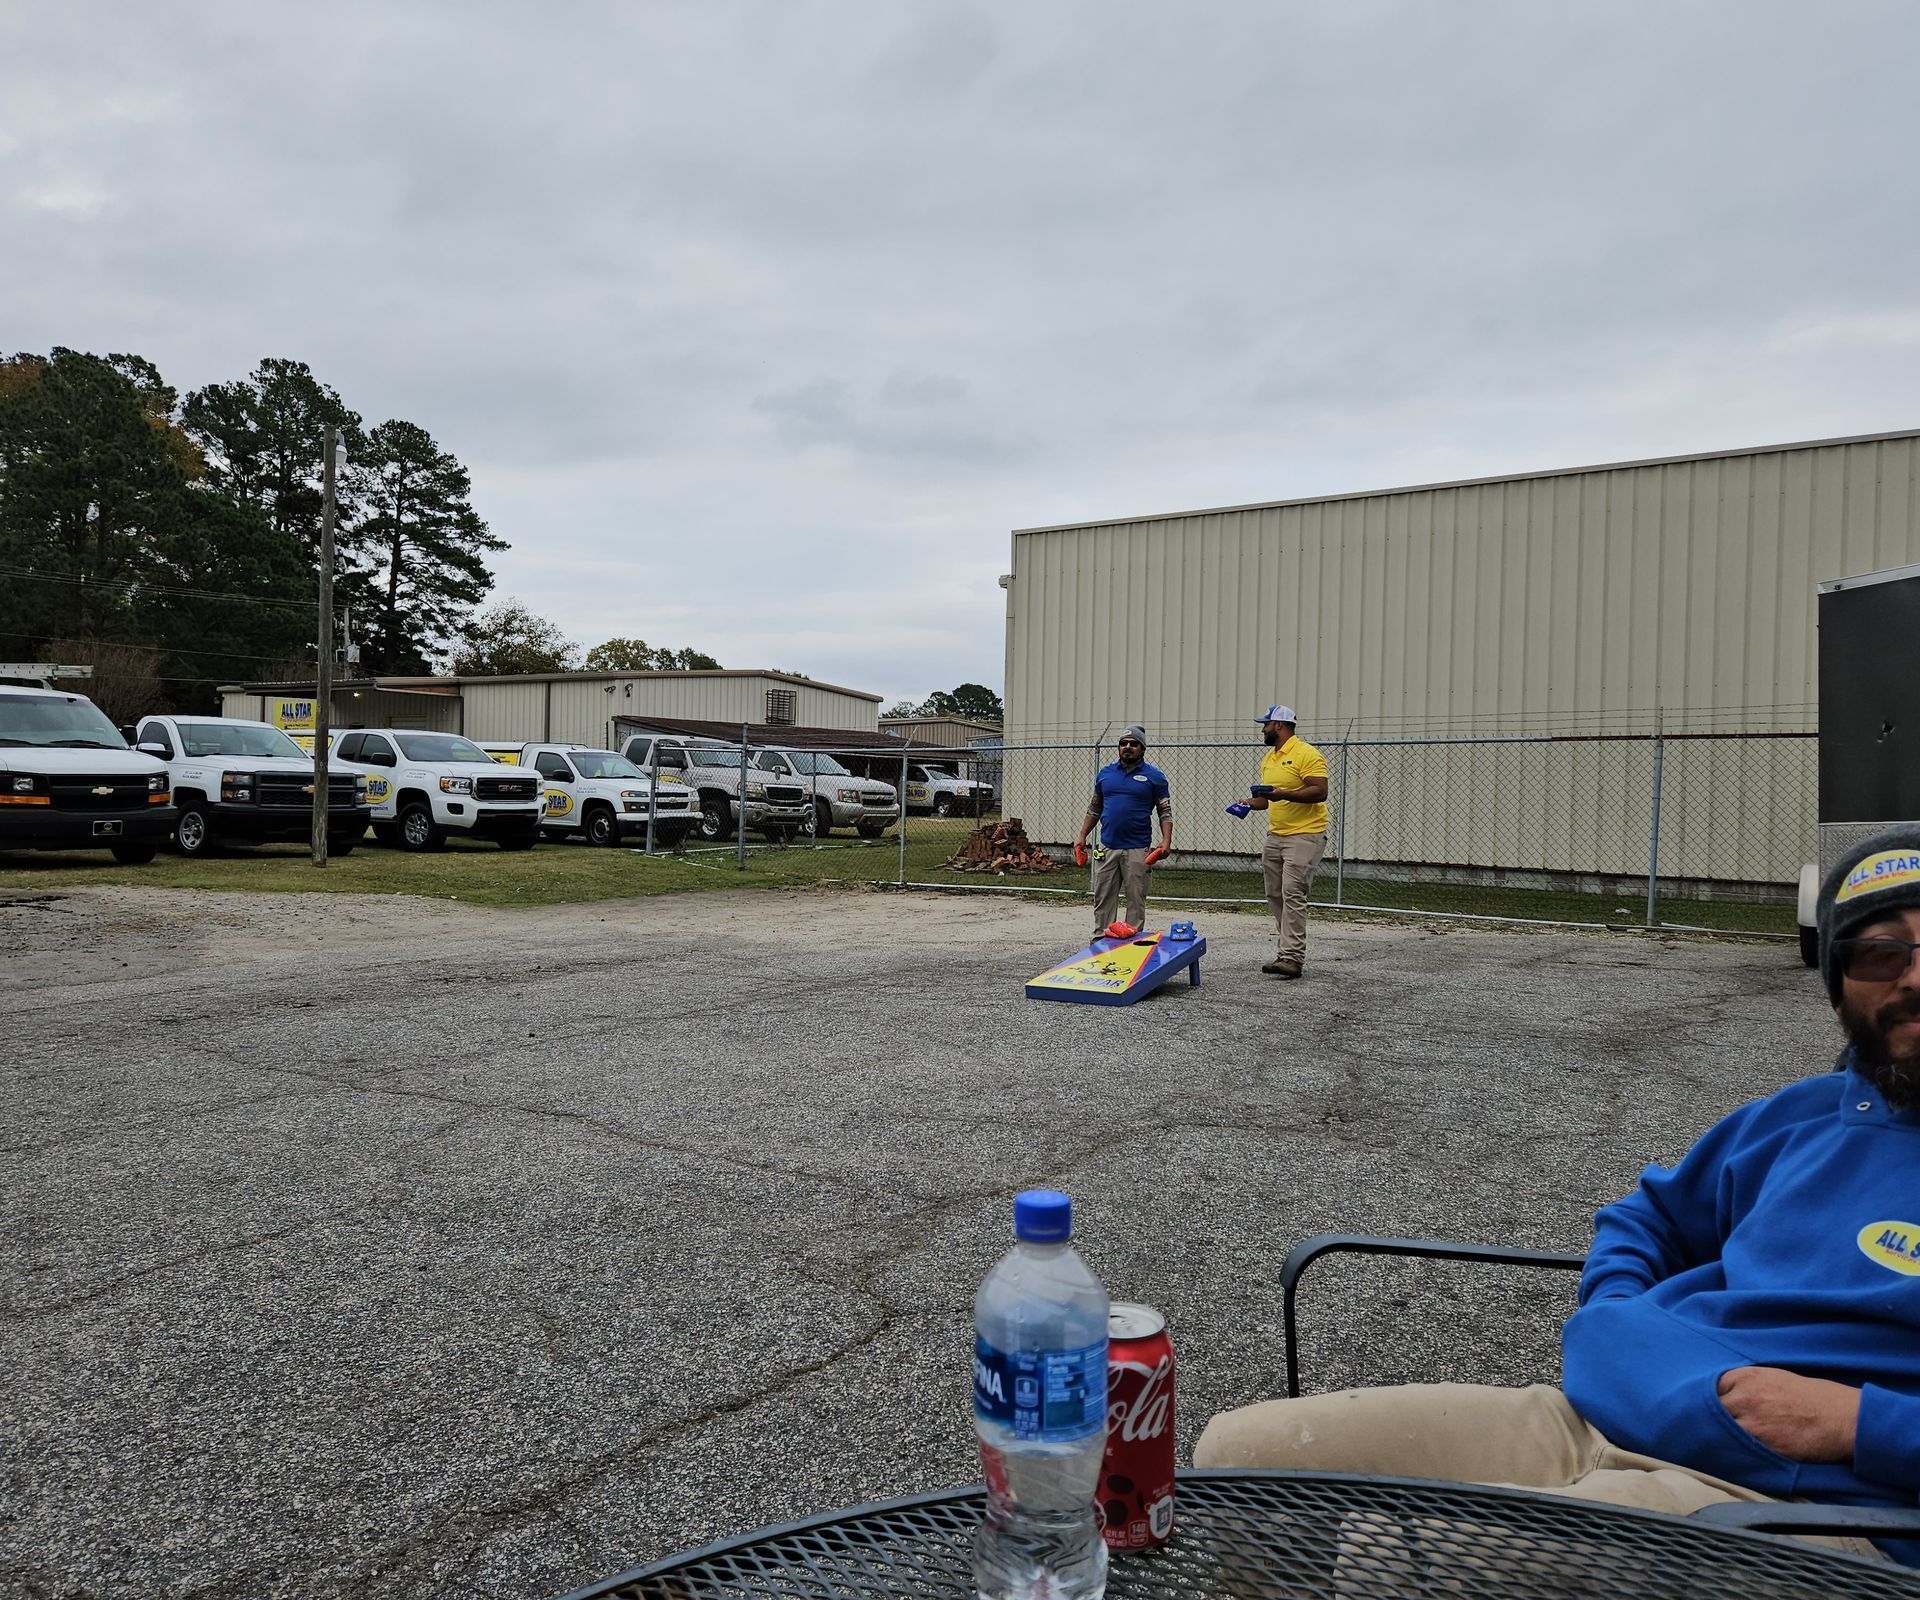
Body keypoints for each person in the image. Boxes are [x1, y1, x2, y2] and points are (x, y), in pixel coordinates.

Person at [1193, 824, 1920, 1565]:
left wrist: (1864, 1423)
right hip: (1610, 1415)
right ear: (1839, 995)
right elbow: (1649, 1218)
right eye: (1881, 951)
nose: (1914, 976)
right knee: (1239, 1459)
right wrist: (1613, 1314)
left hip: (1822, 1501)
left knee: (1397, 1555)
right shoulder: (1799, 1117)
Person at [1245, 705, 1328, 978]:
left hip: (1305, 835)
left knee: (1293, 892)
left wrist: (1284, 794)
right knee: (1275, 894)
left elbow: (1319, 791)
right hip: (1276, 835)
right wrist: (1249, 803)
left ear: (1279, 725)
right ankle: (1286, 951)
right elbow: (1268, 799)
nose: (1262, 729)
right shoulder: (1270, 757)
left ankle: (1292, 957)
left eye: (1265, 724)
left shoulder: (1307, 754)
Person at [1074, 725, 1172, 939]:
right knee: (1103, 899)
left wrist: (1166, 841)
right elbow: (1094, 808)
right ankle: (1100, 944)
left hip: (1138, 849)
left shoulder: (1155, 777)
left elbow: (1164, 810)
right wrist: (1081, 836)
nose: (1128, 747)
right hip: (1107, 847)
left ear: (1142, 748)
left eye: (1133, 744)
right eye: (1123, 743)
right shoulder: (1105, 774)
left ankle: (1131, 946)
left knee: (1136, 900)